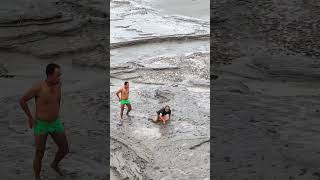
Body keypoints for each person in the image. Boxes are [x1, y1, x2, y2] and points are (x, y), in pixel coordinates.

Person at [19, 63, 69, 180]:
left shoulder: (58, 85)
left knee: (64, 149)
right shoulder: (39, 88)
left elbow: (58, 100)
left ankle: (54, 164)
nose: (59, 77)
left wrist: (56, 114)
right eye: (57, 75)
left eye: (60, 75)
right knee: (39, 152)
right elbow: (22, 100)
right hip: (41, 124)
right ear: (49, 75)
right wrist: (30, 118)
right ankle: (37, 177)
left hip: (55, 122)